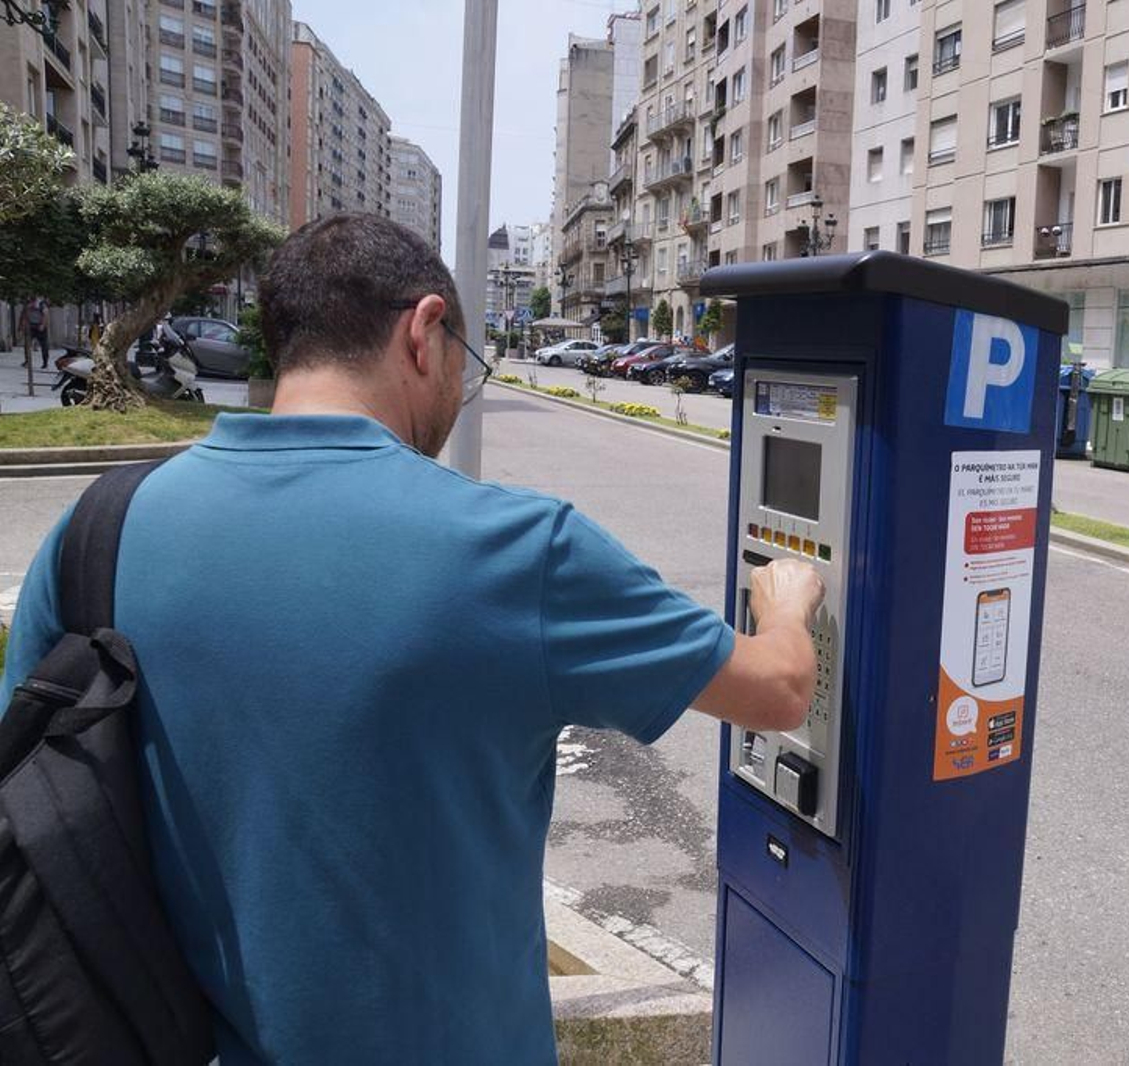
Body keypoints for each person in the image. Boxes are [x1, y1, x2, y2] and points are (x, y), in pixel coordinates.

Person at [0, 213, 824, 1064]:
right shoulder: (515, 550)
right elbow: (775, 691)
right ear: (424, 332)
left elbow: (31, 792)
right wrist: (786, 602)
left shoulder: (96, 531)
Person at [23, 295, 48, 368]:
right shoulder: (28, 304)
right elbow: (25, 315)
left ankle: (45, 362)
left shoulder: (41, 304)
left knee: (44, 345)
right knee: (27, 344)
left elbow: (46, 314)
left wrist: (43, 325)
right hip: (31, 326)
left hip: (40, 326)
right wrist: (25, 324)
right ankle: (27, 361)